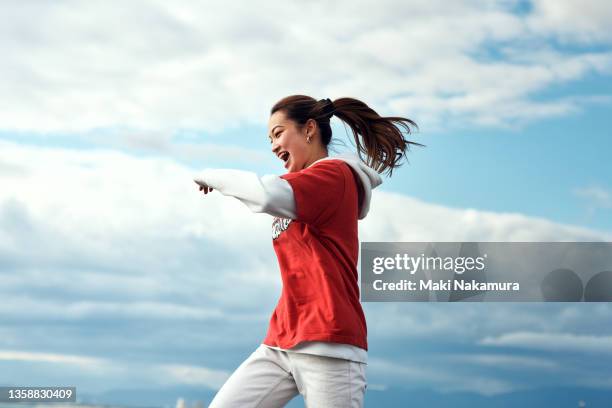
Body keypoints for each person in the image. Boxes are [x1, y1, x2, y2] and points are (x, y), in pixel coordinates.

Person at [193, 95, 421, 408]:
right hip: (282, 340)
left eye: (278, 133)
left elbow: (265, 193)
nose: (273, 145)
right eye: (269, 138)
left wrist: (212, 175)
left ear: (309, 129)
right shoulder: (304, 183)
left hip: (330, 344)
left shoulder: (333, 177)